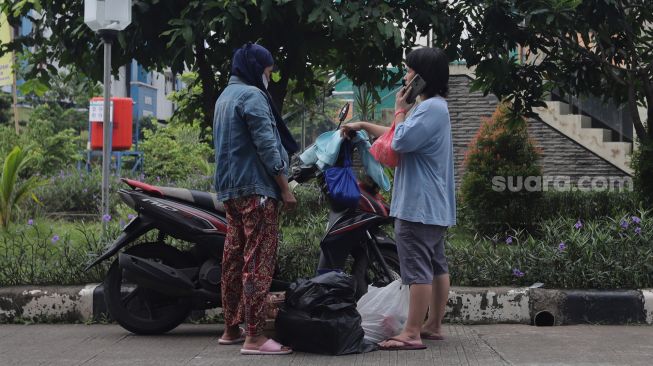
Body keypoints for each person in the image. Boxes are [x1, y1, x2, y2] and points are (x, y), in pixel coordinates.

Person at [341, 47, 456, 350]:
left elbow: (402, 140)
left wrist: (399, 108)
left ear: (421, 77)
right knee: (435, 265)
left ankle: (412, 332)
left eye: (408, 71)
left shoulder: (430, 108)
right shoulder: (432, 108)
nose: (404, 77)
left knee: (417, 268)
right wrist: (364, 124)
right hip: (430, 204)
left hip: (419, 204)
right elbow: (397, 135)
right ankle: (432, 325)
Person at [213, 42, 298, 355]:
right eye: (268, 70)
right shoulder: (252, 96)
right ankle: (255, 337)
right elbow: (266, 146)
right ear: (256, 68)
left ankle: (230, 329)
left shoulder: (225, 97)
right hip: (257, 190)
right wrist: (285, 187)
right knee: (258, 263)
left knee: (233, 261)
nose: (269, 76)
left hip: (230, 193)